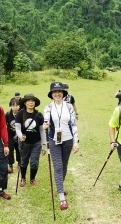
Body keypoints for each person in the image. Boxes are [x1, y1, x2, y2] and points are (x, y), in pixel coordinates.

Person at [43, 82, 79, 211]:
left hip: (68, 139)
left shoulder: (69, 107)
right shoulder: (48, 107)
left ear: (63, 94)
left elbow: (73, 124)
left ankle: (60, 186)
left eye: (60, 91)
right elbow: (46, 120)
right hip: (53, 140)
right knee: (57, 167)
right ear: (51, 94)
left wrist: (76, 141)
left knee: (64, 166)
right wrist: (45, 124)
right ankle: (62, 198)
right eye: (54, 92)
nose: (57, 94)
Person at [15, 94, 46, 186]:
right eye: (28, 101)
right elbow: (17, 128)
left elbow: (42, 131)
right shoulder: (20, 114)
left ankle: (32, 179)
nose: (31, 103)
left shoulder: (39, 115)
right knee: (24, 161)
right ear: (25, 102)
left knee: (34, 162)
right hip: (24, 142)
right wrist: (20, 136)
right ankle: (23, 178)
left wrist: (44, 145)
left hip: (36, 142)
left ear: (35, 103)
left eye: (32, 101)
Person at [6, 98, 21, 173]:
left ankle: (19, 163)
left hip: (19, 135)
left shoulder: (22, 113)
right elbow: (4, 125)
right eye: (13, 105)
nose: (15, 107)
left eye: (17, 105)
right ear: (10, 106)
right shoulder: (8, 114)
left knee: (19, 149)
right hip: (10, 135)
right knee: (10, 149)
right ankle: (10, 165)